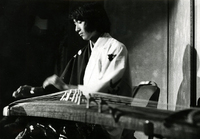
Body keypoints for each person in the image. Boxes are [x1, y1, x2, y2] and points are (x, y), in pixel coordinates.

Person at [6, 2, 133, 139]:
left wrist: (66, 87)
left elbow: (103, 88)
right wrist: (34, 90)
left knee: (43, 130)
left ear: (94, 19)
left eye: (79, 22)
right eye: (74, 23)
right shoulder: (84, 53)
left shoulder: (116, 48)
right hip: (85, 112)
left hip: (105, 119)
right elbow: (64, 84)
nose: (76, 29)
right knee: (34, 129)